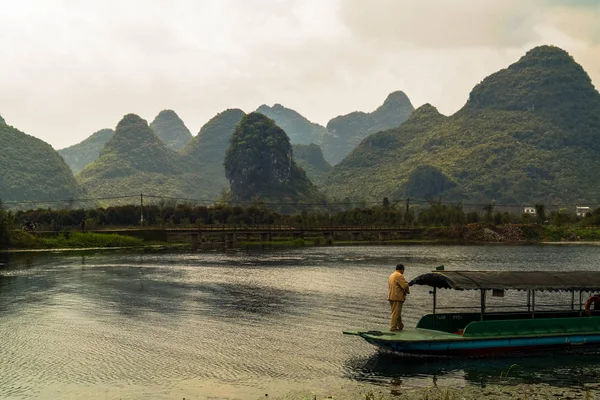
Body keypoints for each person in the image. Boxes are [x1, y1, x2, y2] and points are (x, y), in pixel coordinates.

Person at [388, 263, 410, 331]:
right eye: (403, 270)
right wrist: (407, 291)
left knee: (397, 312)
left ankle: (400, 326)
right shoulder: (399, 275)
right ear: (402, 269)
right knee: (395, 313)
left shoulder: (391, 275)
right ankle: (393, 327)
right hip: (397, 297)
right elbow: (405, 285)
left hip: (391, 296)